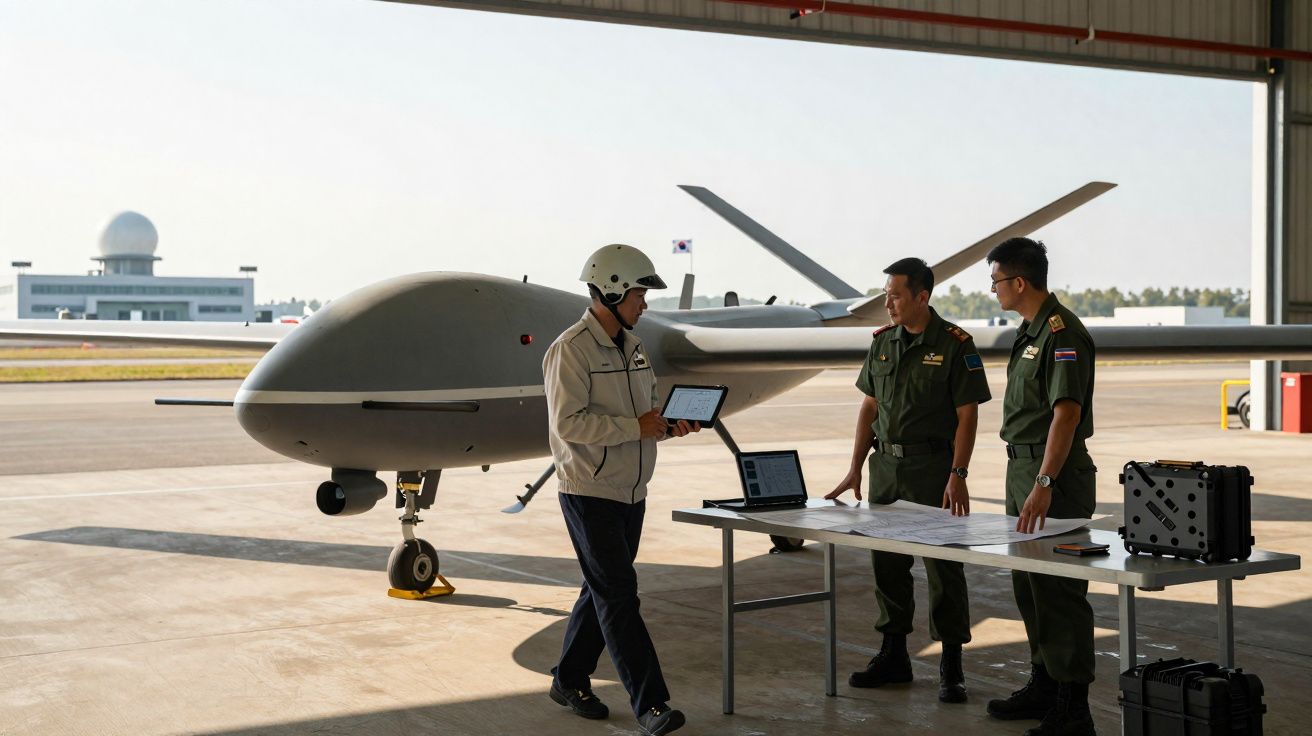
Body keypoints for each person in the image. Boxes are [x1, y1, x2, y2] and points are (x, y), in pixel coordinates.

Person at [542, 243, 698, 736]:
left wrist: (668, 425)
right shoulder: (570, 350)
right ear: (610, 291)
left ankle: (568, 678)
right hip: (589, 491)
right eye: (638, 294)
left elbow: (645, 411)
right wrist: (637, 426)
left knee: (602, 586)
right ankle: (651, 705)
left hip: (632, 490)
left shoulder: (632, 346)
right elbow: (569, 424)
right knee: (619, 593)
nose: (644, 303)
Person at [826, 257, 991, 704]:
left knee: (943, 567)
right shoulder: (882, 343)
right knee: (888, 566)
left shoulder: (956, 343)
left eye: (895, 295)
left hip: (933, 472)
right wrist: (855, 466)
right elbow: (869, 408)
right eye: (885, 295)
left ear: (922, 296)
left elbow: (967, 415)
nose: (888, 304)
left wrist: (959, 474)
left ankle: (951, 665)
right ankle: (894, 654)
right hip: (886, 471)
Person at [985, 237, 1098, 736]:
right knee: (1028, 588)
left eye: (996, 281)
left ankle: (1074, 708)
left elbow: (1066, 413)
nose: (993, 290)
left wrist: (1045, 481)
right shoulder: (1029, 332)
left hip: (1055, 478)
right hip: (1021, 473)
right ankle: (1045, 685)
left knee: (1058, 592)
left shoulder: (1061, 332)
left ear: (1020, 282)